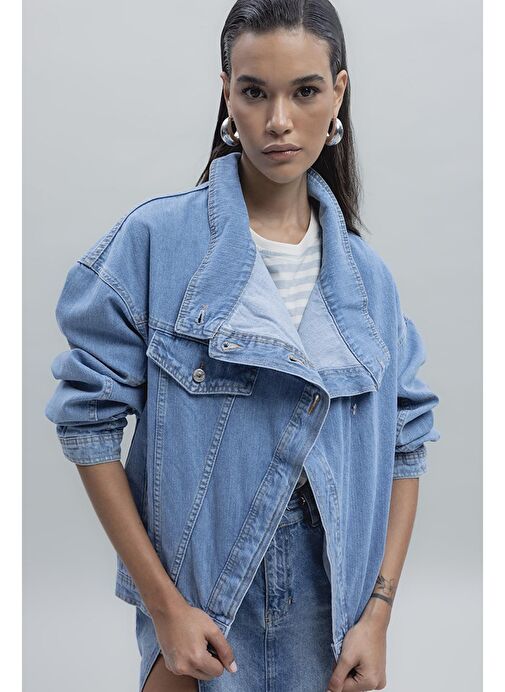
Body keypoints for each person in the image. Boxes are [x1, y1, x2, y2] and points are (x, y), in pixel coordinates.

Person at [44, 1, 441, 691]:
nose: (278, 120)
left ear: (338, 93)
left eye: (304, 91)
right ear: (226, 93)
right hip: (203, 606)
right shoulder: (157, 243)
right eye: (255, 92)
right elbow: (87, 425)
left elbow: (407, 445)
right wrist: (164, 608)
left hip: (332, 610)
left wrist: (377, 614)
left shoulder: (369, 281)